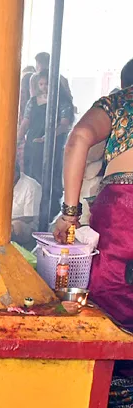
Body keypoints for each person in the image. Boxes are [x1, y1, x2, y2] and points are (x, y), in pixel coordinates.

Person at [55, 61, 133, 332]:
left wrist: (69, 214)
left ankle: (118, 372)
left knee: (113, 288)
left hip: (123, 206)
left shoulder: (120, 102)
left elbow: (80, 137)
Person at [19, 72, 74, 213]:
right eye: (41, 84)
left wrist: (48, 137)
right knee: (31, 176)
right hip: (32, 145)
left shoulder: (62, 103)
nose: (44, 88)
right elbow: (25, 123)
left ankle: (48, 214)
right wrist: (17, 139)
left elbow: (64, 125)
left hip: (52, 147)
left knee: (48, 180)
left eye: (47, 84)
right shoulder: (32, 102)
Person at [11, 167, 43, 248]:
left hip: (26, 226)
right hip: (4, 222)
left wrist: (5, 223)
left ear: (15, 172)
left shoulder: (31, 185)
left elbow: (29, 217)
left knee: (15, 226)